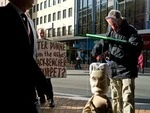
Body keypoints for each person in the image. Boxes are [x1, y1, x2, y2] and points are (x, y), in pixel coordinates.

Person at [0, 0, 50, 113]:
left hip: (30, 92)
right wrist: (41, 80)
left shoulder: (30, 22)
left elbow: (31, 53)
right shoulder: (3, 15)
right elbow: (20, 54)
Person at [92, 9, 143, 113]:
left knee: (127, 98)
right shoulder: (111, 32)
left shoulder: (131, 31)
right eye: (110, 25)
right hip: (114, 70)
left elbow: (136, 47)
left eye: (114, 24)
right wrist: (96, 50)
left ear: (119, 21)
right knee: (115, 98)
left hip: (127, 71)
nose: (112, 27)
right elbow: (103, 43)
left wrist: (122, 43)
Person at [36, 27, 55, 108]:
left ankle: (50, 99)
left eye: (43, 32)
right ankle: (42, 98)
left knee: (48, 84)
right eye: (40, 32)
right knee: (38, 84)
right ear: (38, 33)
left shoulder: (49, 42)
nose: (42, 34)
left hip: (46, 68)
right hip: (38, 67)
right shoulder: (35, 42)